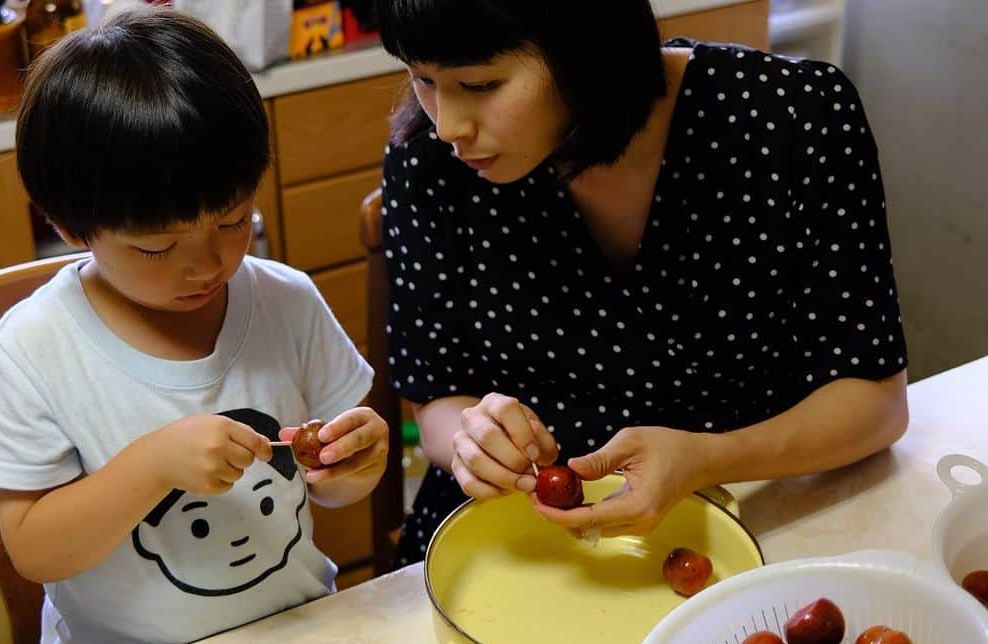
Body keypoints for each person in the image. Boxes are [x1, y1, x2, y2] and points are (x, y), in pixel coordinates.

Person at [375, 0, 909, 568]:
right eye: (423, 79)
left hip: (747, 515)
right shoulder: (426, 163)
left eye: (480, 84)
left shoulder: (792, 118)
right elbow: (435, 398)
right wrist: (476, 440)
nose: (448, 125)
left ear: (586, 48)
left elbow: (874, 403)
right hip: (521, 540)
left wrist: (709, 458)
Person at [0, 9, 388, 644]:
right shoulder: (32, 349)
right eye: (157, 246)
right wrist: (153, 464)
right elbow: (36, 549)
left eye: (232, 219)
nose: (206, 264)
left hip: (294, 642)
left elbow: (340, 486)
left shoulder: (286, 300)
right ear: (70, 226)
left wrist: (350, 463)